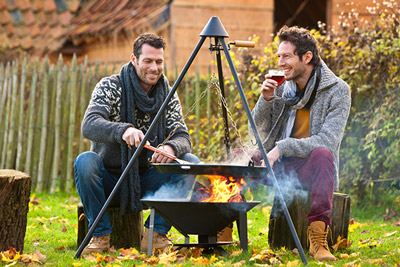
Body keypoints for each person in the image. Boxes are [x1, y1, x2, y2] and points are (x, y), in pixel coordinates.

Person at [74, 33, 200, 255]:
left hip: (149, 178)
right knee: (85, 161)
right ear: (134, 60)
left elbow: (182, 136)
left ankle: (156, 235)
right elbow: (89, 125)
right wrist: (123, 130)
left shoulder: (168, 95)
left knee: (190, 162)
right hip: (111, 179)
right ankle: (100, 235)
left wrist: (170, 147)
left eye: (159, 61)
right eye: (148, 61)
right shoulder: (110, 86)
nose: (154, 67)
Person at [250, 26, 351, 261]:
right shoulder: (283, 87)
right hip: (279, 164)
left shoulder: (338, 91)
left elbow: (328, 140)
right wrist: (265, 101)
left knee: (324, 155)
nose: (281, 62)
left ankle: (318, 240)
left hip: (310, 170)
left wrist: (282, 148)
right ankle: (221, 230)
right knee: (236, 156)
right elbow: (256, 131)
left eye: (287, 56)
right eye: (279, 56)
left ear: (306, 57)